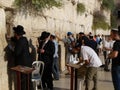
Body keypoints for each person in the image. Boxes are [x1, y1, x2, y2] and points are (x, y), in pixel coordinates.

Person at [12, 25, 33, 90]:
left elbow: (17, 53)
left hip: (22, 65)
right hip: (28, 63)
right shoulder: (24, 39)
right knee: (28, 80)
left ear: (16, 34)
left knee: (23, 81)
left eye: (14, 33)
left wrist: (12, 49)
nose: (14, 34)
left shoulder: (20, 41)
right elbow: (17, 40)